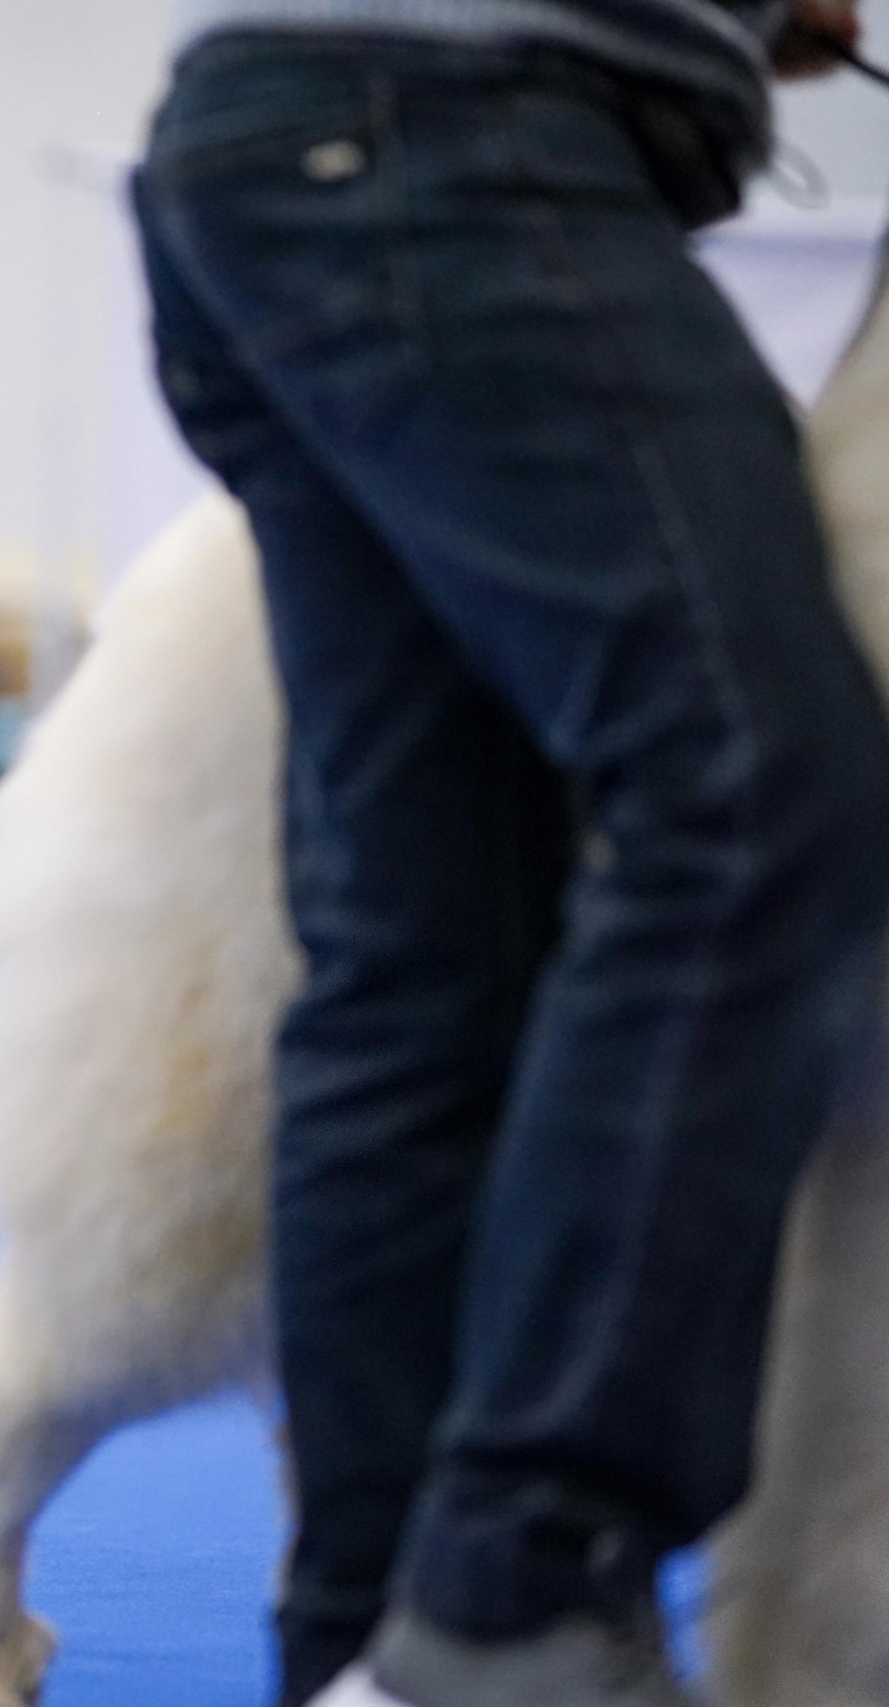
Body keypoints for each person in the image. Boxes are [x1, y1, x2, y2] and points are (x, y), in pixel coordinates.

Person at [133, 3, 886, 1704]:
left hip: (276, 138)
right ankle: (520, 1582)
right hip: (457, 135)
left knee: (421, 955)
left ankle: (374, 1649)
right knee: (758, 790)